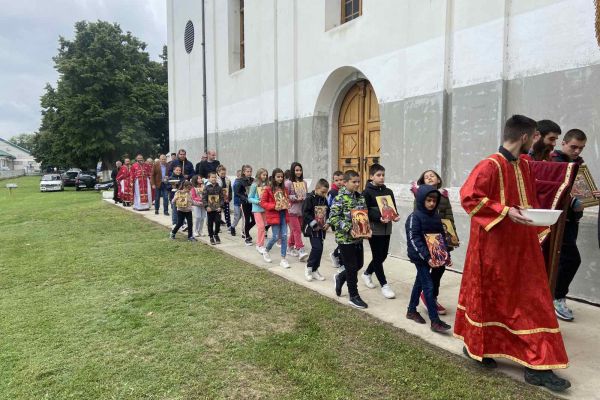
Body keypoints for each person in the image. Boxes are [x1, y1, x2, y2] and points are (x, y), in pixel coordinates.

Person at [456, 115, 570, 392]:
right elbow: (469, 197)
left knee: (531, 300)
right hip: (493, 248)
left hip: (522, 246)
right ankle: (479, 349)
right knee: (493, 297)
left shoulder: (525, 165)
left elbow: (532, 197)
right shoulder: (489, 165)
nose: (536, 142)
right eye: (534, 137)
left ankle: (536, 364)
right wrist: (505, 211)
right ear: (525, 137)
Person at [550, 129, 600, 321]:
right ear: (563, 143)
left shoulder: (578, 164)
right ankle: (557, 298)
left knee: (563, 260)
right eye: (573, 146)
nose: (577, 151)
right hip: (558, 221)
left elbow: (580, 189)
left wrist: (591, 196)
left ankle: (553, 297)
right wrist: (573, 202)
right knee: (572, 260)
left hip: (573, 221)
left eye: (581, 148)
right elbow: (552, 188)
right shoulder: (554, 162)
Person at [405, 185, 452, 333]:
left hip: (434, 257)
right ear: (421, 200)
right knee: (428, 287)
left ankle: (411, 311)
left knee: (419, 283)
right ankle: (435, 321)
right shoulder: (414, 217)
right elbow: (414, 239)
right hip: (421, 257)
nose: (431, 203)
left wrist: (446, 256)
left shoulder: (436, 217)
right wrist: (426, 257)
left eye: (434, 201)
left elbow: (441, 237)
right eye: (428, 200)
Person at [411, 169, 456, 315]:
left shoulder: (444, 196)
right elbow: (416, 219)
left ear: (438, 180)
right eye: (426, 177)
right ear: (422, 182)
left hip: (441, 239)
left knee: (440, 268)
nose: (430, 178)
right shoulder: (419, 196)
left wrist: (452, 236)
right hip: (426, 239)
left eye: (432, 176)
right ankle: (421, 302)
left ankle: (431, 296)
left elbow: (449, 217)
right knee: (424, 271)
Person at [328, 170, 370, 309]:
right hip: (345, 239)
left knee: (359, 265)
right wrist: (348, 228)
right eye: (354, 182)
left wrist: (366, 229)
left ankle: (340, 277)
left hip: (358, 238)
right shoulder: (339, 198)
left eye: (358, 181)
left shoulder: (360, 197)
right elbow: (333, 218)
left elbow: (362, 216)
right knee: (352, 268)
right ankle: (354, 296)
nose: (357, 184)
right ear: (345, 183)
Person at [361, 164, 400, 299]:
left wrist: (395, 216)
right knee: (378, 256)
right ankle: (384, 285)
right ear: (371, 176)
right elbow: (364, 211)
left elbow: (392, 207)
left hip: (386, 228)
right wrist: (378, 218)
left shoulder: (388, 191)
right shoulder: (366, 193)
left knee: (383, 255)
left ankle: (367, 273)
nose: (382, 177)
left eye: (383, 175)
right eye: (378, 175)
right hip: (375, 229)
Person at [260, 168, 290, 268]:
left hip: (283, 215)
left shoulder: (284, 189)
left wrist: (288, 203)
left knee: (285, 236)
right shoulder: (268, 189)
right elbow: (263, 203)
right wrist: (274, 206)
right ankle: (266, 250)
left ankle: (283, 259)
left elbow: (286, 200)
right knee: (275, 237)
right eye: (278, 176)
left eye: (282, 176)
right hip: (274, 216)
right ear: (273, 177)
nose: (280, 178)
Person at [301, 178, 330, 282]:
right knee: (317, 248)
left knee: (320, 249)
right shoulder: (309, 198)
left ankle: (315, 269)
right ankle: (308, 268)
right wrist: (314, 224)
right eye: (322, 192)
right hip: (312, 228)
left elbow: (328, 212)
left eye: (326, 193)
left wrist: (328, 223)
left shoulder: (324, 199)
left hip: (321, 229)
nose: (324, 194)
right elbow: (305, 213)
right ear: (316, 188)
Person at [285, 162, 309, 261]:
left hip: (301, 210)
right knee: (297, 230)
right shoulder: (288, 183)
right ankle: (300, 249)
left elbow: (306, 194)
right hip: (292, 211)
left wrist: (305, 197)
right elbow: (285, 196)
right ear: (292, 171)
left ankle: (290, 247)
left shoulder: (304, 182)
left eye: (300, 170)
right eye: (296, 170)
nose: (298, 172)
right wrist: (295, 197)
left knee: (295, 230)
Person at [248, 168, 269, 254]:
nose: (265, 176)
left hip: (264, 209)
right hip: (257, 209)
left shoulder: (267, 185)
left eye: (266, 175)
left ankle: (261, 244)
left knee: (263, 227)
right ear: (259, 175)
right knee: (260, 227)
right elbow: (249, 198)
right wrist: (258, 201)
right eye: (263, 174)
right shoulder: (254, 185)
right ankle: (259, 245)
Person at [328, 170, 344, 268]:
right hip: (336, 221)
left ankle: (336, 255)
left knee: (343, 241)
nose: (339, 182)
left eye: (341, 180)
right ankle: (336, 256)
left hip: (345, 220)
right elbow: (329, 206)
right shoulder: (332, 192)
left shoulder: (345, 191)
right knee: (342, 241)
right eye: (336, 180)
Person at [235, 165, 255, 245]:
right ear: (243, 172)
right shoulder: (240, 181)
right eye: (247, 171)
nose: (249, 173)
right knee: (247, 220)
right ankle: (247, 237)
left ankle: (245, 231)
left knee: (254, 220)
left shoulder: (253, 180)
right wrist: (245, 198)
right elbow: (237, 193)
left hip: (253, 204)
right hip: (245, 204)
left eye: (250, 171)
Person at [203, 171, 224, 245]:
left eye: (215, 177)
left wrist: (221, 206)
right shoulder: (206, 188)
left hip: (217, 209)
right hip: (210, 209)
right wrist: (206, 206)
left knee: (218, 222)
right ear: (209, 179)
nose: (214, 178)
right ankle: (211, 236)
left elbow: (221, 198)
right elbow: (204, 198)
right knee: (210, 223)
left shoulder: (219, 188)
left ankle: (216, 234)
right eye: (212, 177)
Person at [230, 169, 244, 236]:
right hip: (237, 203)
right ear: (237, 176)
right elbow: (237, 193)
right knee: (237, 216)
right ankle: (232, 227)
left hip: (243, 203)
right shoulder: (236, 183)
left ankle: (243, 231)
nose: (242, 177)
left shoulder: (244, 182)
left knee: (243, 217)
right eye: (240, 175)